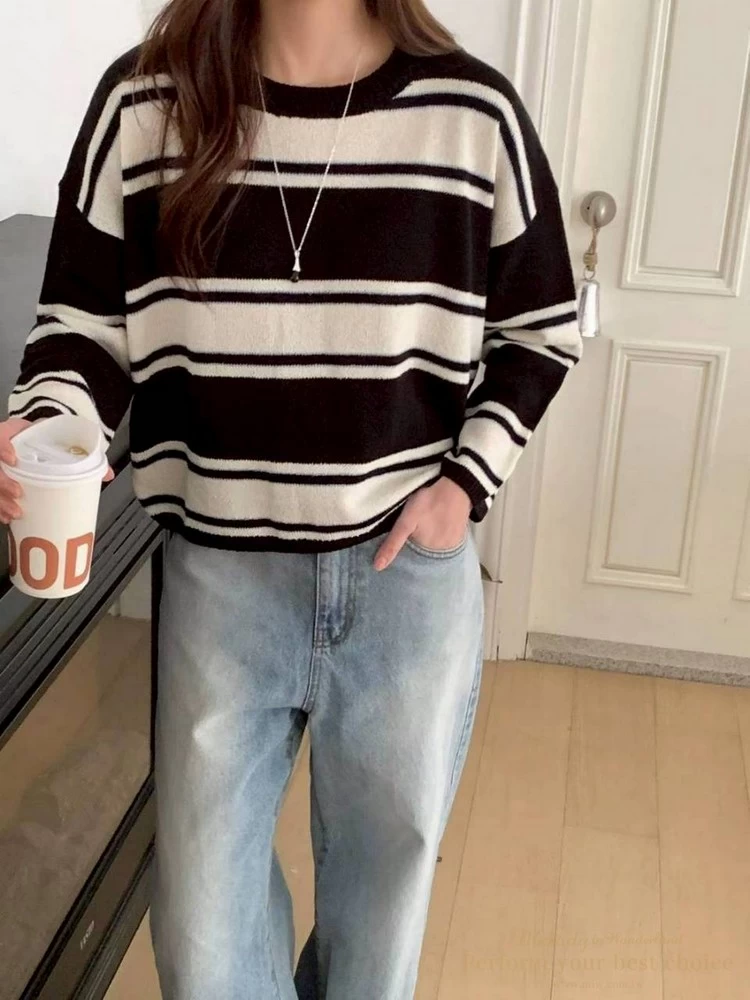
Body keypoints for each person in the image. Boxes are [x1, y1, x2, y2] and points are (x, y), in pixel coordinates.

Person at [0, 0, 583, 995]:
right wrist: (51, 420)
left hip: (405, 582)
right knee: (202, 940)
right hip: (220, 582)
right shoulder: (145, 105)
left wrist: (463, 484)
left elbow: (542, 329)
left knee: (376, 932)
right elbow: (80, 327)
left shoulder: (471, 114)